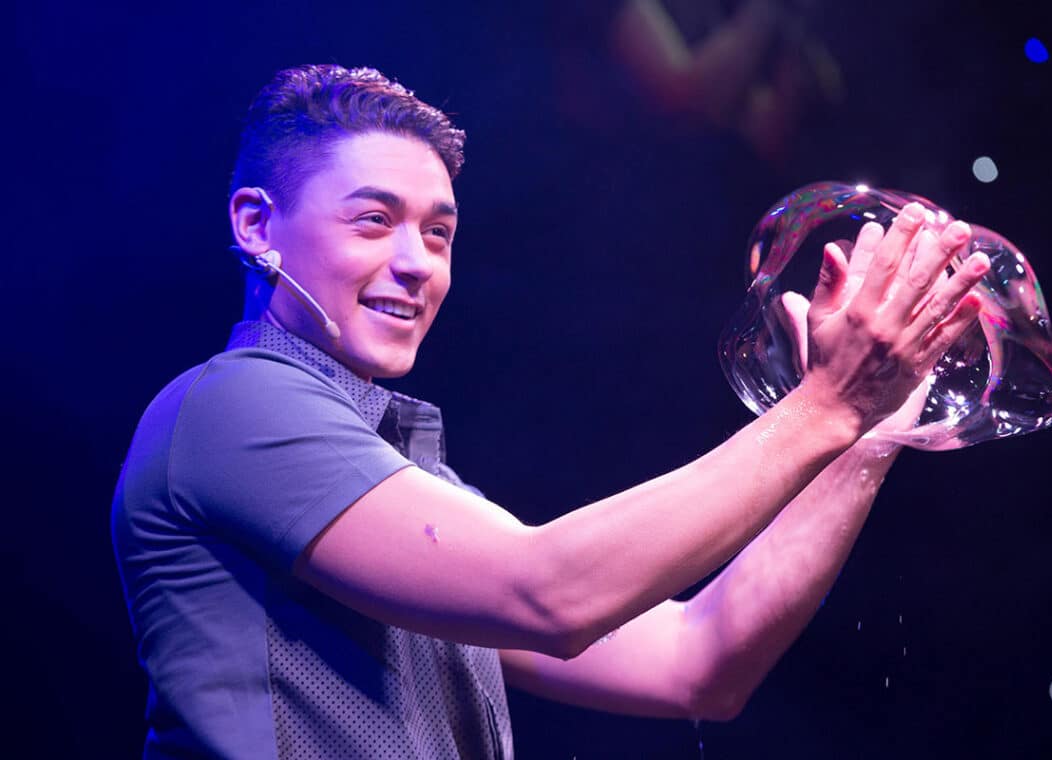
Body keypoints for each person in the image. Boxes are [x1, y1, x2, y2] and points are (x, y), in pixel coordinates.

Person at [111, 64, 990, 759]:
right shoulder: (233, 406)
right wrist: (826, 404)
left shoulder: (407, 476)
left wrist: (862, 434)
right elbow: (550, 593)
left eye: (439, 232)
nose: (418, 262)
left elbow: (699, 662)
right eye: (374, 220)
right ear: (258, 226)